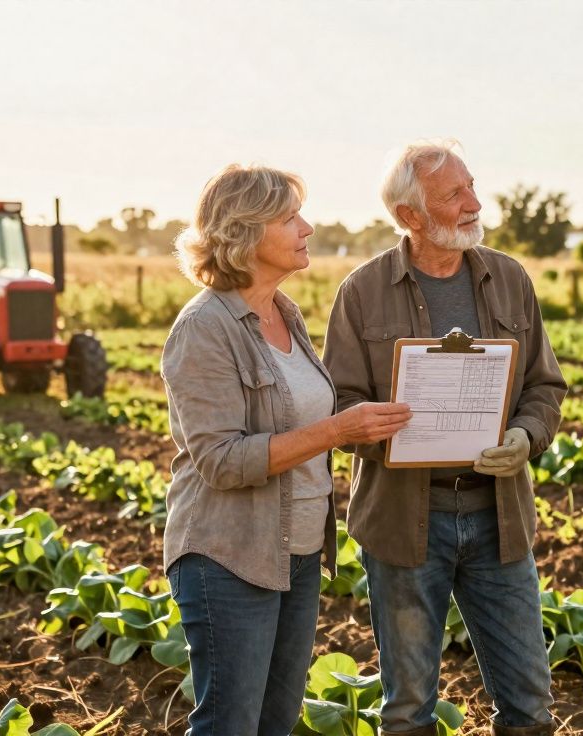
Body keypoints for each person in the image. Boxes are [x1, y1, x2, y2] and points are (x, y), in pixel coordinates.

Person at [322, 141, 567, 736]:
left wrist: (524, 434)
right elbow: (340, 403)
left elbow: (545, 385)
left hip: (498, 518)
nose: (474, 203)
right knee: (407, 709)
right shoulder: (363, 291)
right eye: (454, 195)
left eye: (471, 187)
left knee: (530, 705)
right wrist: (379, 427)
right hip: (406, 521)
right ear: (410, 216)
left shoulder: (508, 279)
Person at [160, 163, 412, 735]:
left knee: (276, 722)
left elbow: (307, 413)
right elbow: (222, 461)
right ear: (246, 232)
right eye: (289, 217)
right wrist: (338, 432)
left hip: (296, 554)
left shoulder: (285, 313)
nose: (308, 227)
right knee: (230, 724)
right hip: (230, 555)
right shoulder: (204, 328)